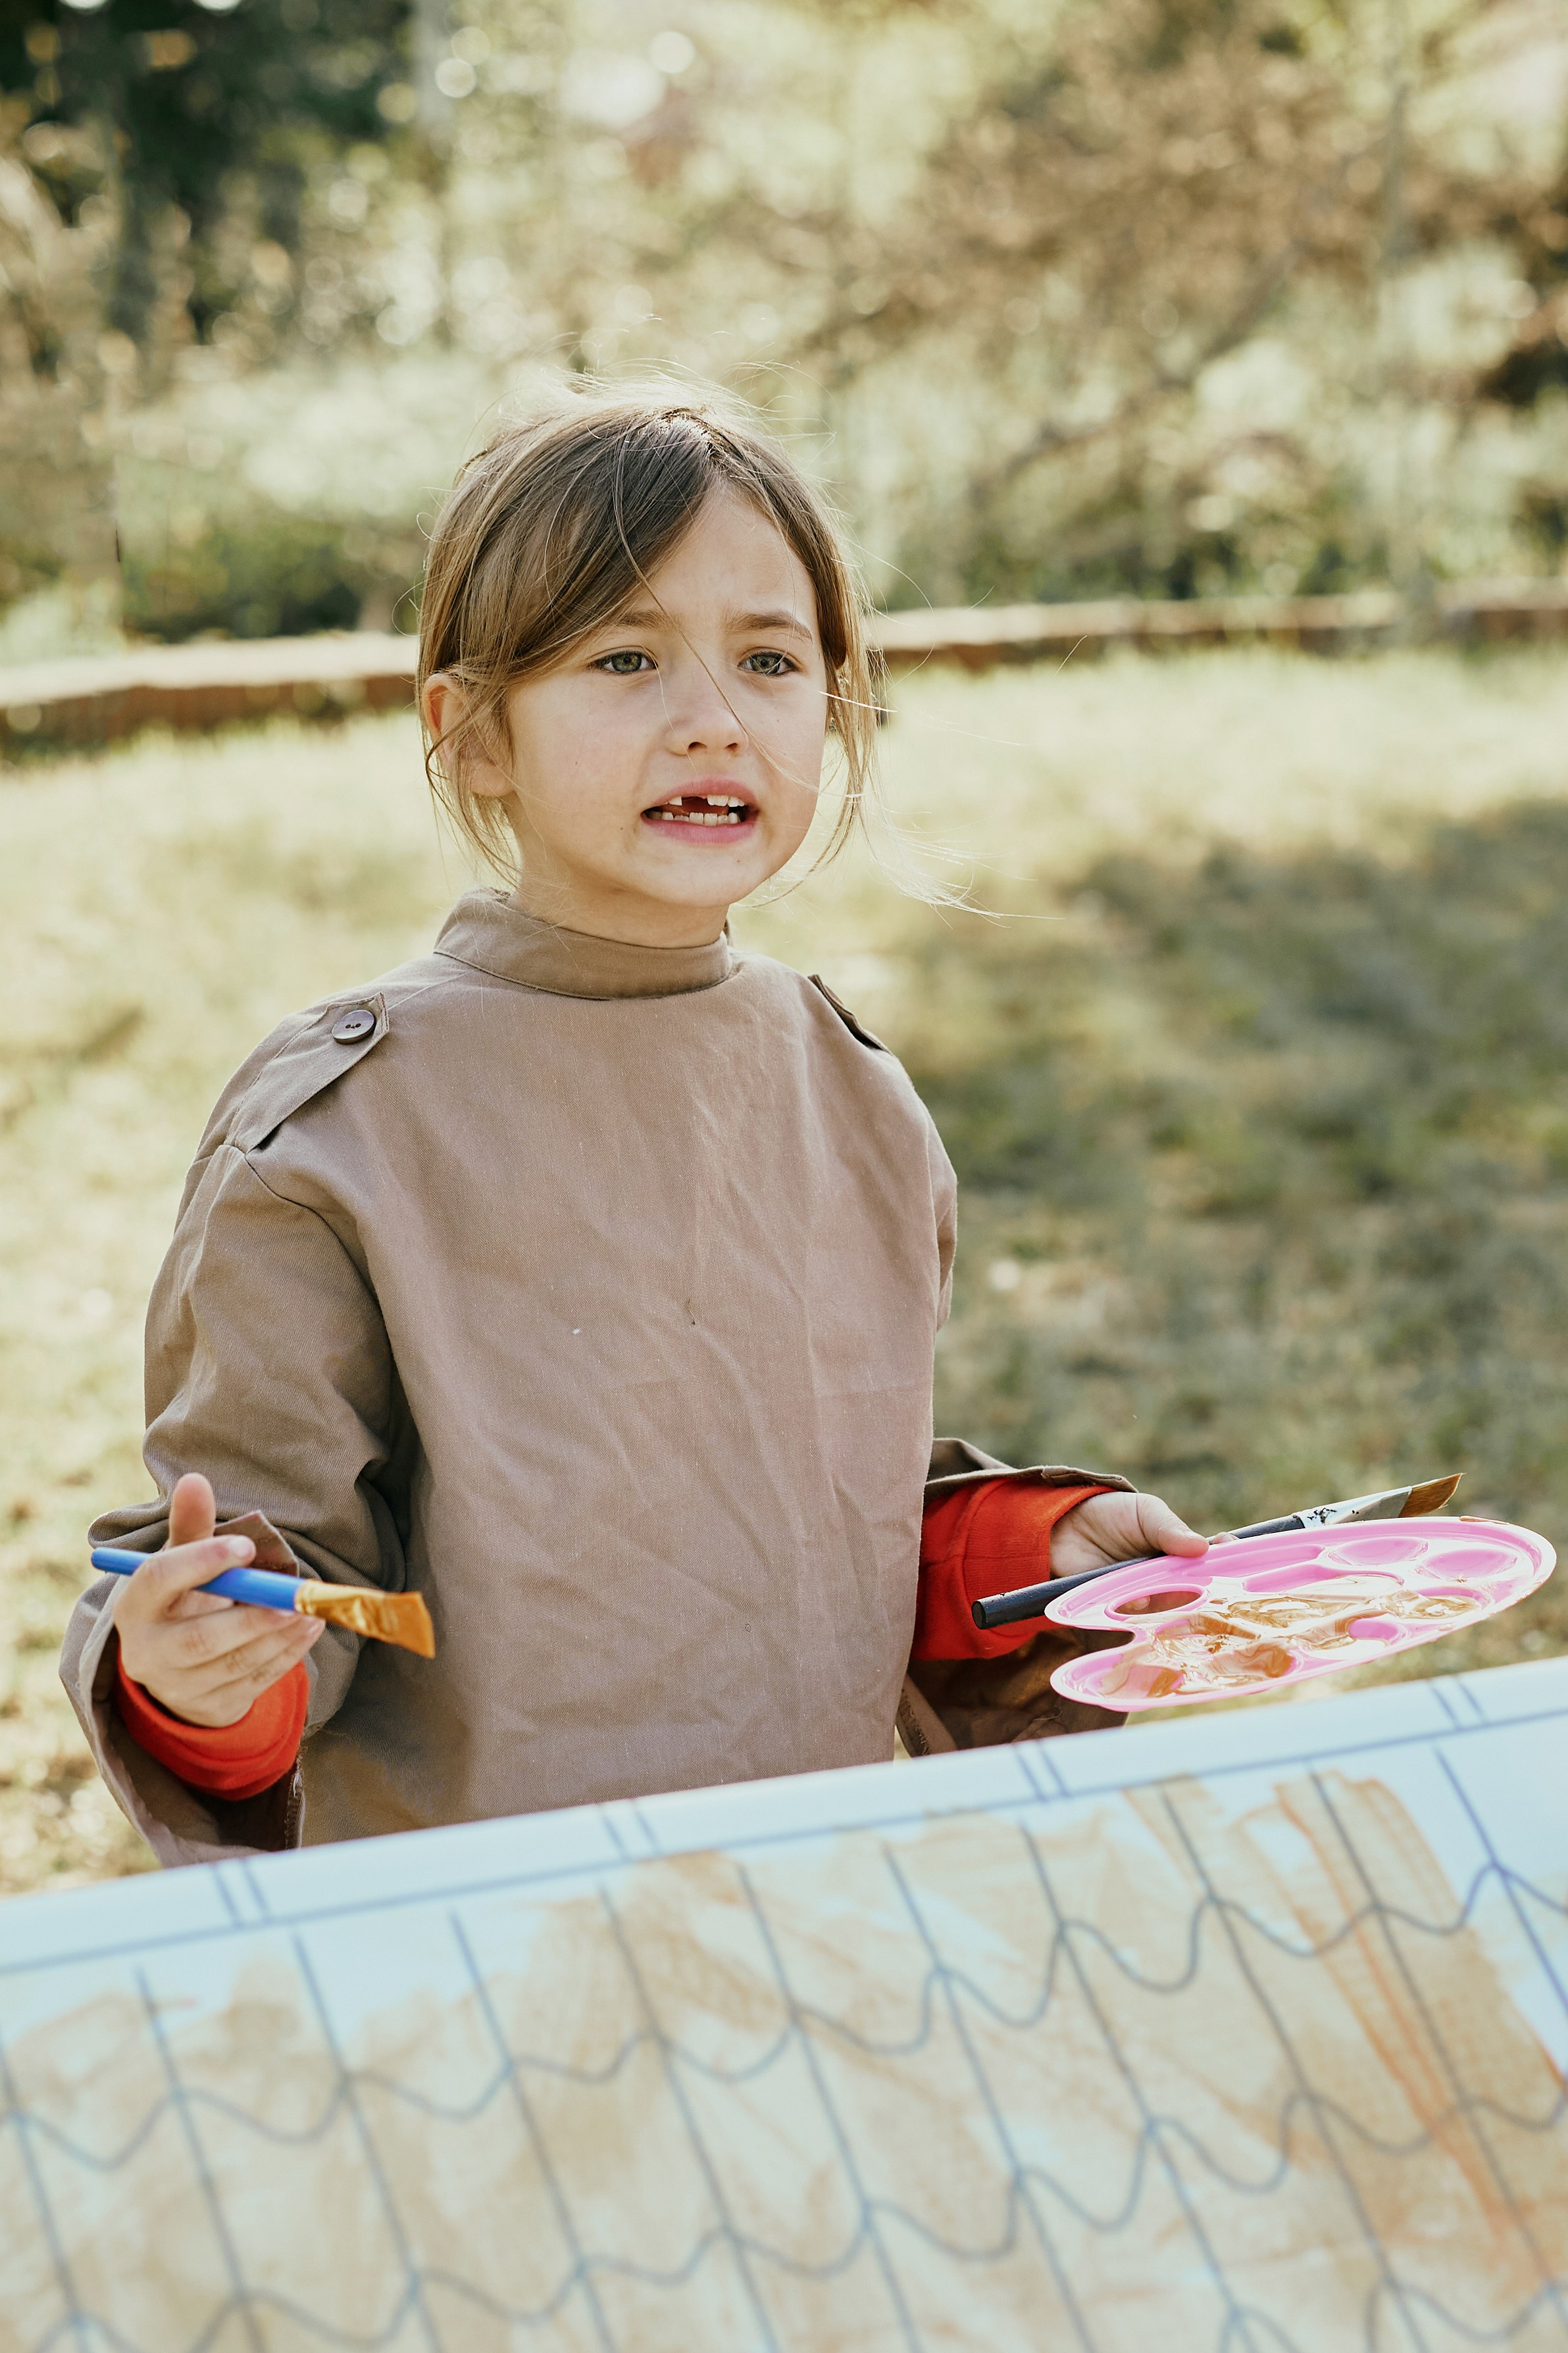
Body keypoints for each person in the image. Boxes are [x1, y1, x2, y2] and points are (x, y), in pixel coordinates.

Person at [61, 391, 1205, 1866]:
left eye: (769, 659)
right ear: (473, 733)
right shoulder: (343, 1127)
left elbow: (830, 1515)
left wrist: (1036, 1561)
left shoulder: (852, 1090)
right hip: (491, 1936)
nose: (713, 716)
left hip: (829, 1887)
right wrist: (200, 1674)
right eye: (624, 656)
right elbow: (290, 1585)